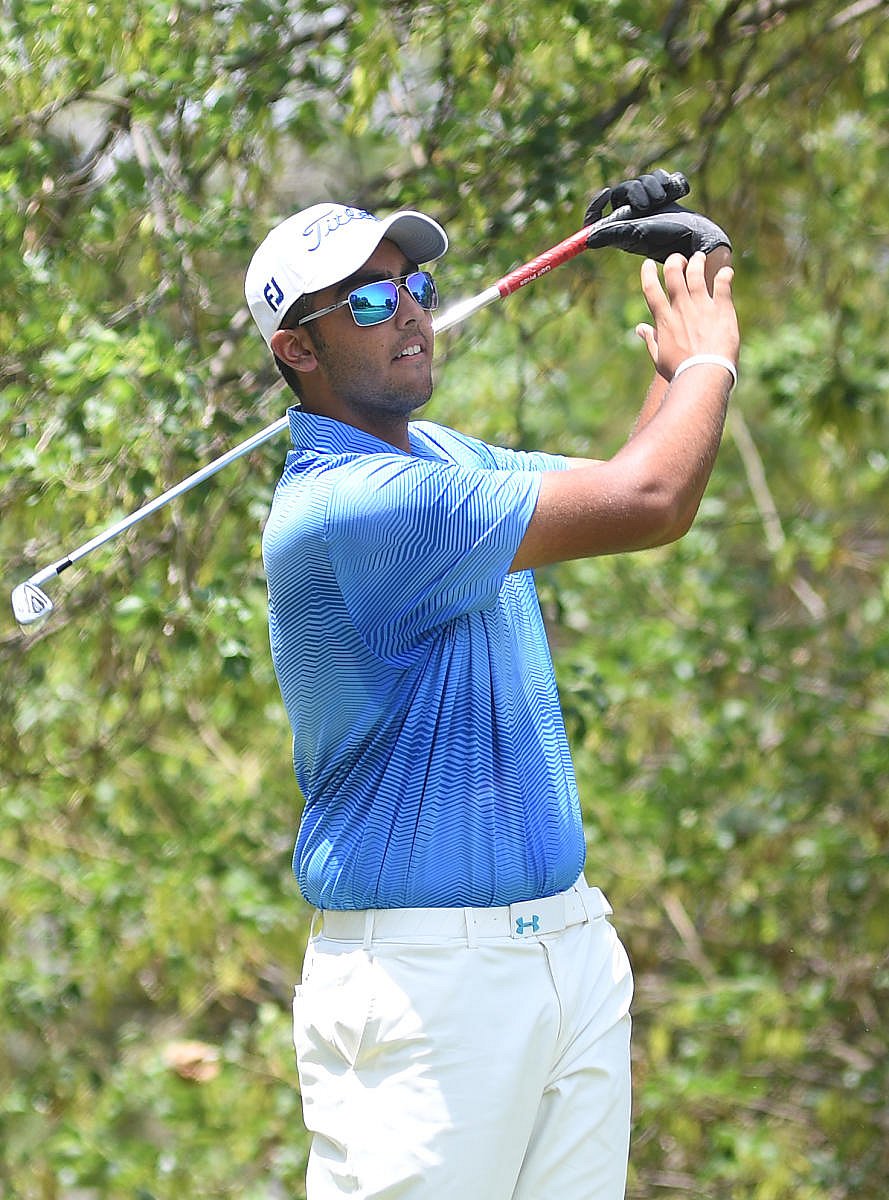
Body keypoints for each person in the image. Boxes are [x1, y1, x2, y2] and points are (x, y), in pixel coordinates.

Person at [244, 171, 739, 1200]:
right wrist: (705, 363)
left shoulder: (439, 459)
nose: (408, 313)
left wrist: (685, 287)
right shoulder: (354, 508)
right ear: (297, 350)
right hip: (427, 989)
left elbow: (623, 480)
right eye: (367, 302)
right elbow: (651, 498)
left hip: (565, 950)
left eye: (413, 286)